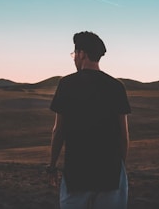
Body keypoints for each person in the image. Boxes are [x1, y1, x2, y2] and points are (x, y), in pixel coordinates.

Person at [47, 31, 131, 209]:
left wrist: (52, 166)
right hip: (110, 173)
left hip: (77, 173)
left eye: (74, 54)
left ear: (82, 54)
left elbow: (58, 131)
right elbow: (124, 136)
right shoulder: (117, 87)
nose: (74, 58)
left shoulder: (66, 84)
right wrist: (119, 169)